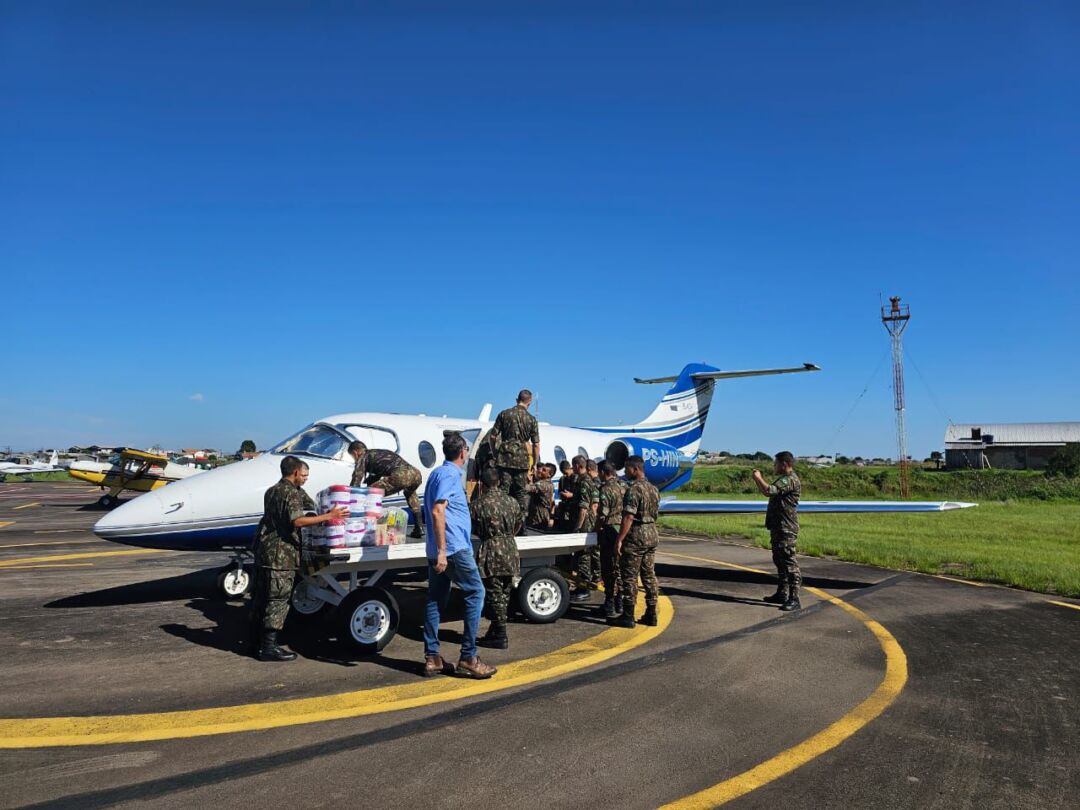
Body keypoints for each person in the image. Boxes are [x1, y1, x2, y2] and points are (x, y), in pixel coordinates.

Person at [249, 455, 349, 661]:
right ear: (295, 473)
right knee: (278, 599)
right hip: (281, 555)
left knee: (262, 597)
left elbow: (308, 502)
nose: (305, 479)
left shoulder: (272, 491)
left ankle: (256, 641)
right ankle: (269, 648)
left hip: (264, 552)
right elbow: (297, 521)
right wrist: (329, 517)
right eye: (304, 475)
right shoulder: (291, 494)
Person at [422, 432, 496, 679]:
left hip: (437, 548)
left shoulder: (435, 474)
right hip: (452, 549)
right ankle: (468, 656)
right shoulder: (451, 476)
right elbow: (437, 510)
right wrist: (443, 551)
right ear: (463, 452)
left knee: (435, 598)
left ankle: (433, 657)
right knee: (476, 593)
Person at [471, 467, 524, 650]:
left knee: (494, 593)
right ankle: (495, 630)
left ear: (482, 484)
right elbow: (518, 524)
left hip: (491, 550)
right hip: (510, 548)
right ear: (499, 482)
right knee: (505, 591)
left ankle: (500, 634)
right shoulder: (512, 502)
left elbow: (473, 528)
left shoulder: (478, 504)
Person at [612, 455, 661, 628]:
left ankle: (628, 615)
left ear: (635, 469)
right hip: (652, 533)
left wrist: (620, 539)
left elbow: (629, 517)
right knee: (649, 575)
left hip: (637, 536)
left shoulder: (634, 490)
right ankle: (651, 612)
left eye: (627, 469)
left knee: (629, 576)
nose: (625, 473)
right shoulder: (654, 489)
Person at [752, 451, 802, 611]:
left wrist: (758, 478)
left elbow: (769, 491)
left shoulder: (790, 480)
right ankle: (782, 593)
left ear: (784, 464)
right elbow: (769, 491)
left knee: (789, 563)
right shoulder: (783, 479)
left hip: (786, 529)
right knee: (779, 561)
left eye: (776, 464)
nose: (774, 466)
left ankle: (795, 598)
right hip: (778, 527)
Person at [348, 441, 424, 539]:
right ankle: (419, 528)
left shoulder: (363, 456)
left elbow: (357, 478)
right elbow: (378, 474)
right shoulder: (378, 454)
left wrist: (350, 498)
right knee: (410, 494)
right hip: (416, 474)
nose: (354, 460)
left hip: (401, 475)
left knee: (370, 493)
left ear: (355, 452)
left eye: (353, 457)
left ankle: (368, 529)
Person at [488, 389, 541, 515]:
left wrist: (495, 453)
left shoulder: (504, 414)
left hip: (504, 458)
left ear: (517, 400)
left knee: (503, 490)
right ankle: (521, 525)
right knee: (521, 492)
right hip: (522, 459)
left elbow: (492, 436)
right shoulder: (531, 419)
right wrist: (534, 463)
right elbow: (536, 444)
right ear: (529, 402)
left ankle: (501, 519)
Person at [593, 460, 625, 619]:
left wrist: (596, 528)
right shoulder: (624, 486)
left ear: (603, 472)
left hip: (610, 530)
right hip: (623, 530)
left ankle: (610, 604)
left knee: (608, 569)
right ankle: (619, 603)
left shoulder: (605, 489)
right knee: (619, 568)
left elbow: (603, 513)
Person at [568, 455, 600, 603]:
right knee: (580, 555)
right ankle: (581, 584)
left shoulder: (585, 482)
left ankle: (585, 587)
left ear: (577, 466)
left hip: (585, 523)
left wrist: (578, 527)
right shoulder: (581, 481)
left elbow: (584, 508)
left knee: (583, 555)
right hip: (583, 521)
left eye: (573, 466)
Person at [525, 462, 555, 530]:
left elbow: (526, 488)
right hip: (542, 513)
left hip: (539, 515)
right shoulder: (549, 483)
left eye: (544, 470)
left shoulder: (543, 485)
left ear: (549, 475)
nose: (540, 471)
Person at [554, 459, 574, 529]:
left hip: (574, 508)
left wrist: (571, 495)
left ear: (570, 468)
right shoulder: (562, 479)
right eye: (563, 473)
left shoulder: (577, 478)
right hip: (565, 507)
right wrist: (562, 494)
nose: (565, 475)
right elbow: (560, 491)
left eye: (566, 473)